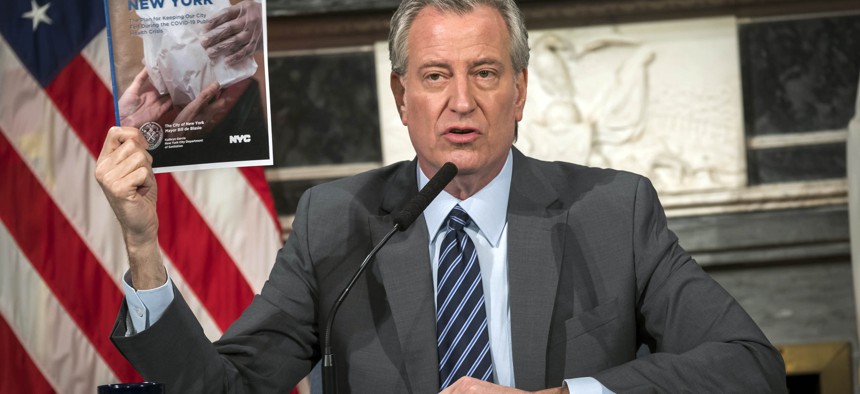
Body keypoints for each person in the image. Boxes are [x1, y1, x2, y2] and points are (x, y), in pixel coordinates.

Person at [95, 0, 787, 392]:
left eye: (485, 73)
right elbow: (228, 392)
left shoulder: (613, 211)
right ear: (401, 96)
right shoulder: (335, 223)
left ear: (519, 91)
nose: (462, 102)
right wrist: (141, 245)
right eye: (434, 76)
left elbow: (750, 365)